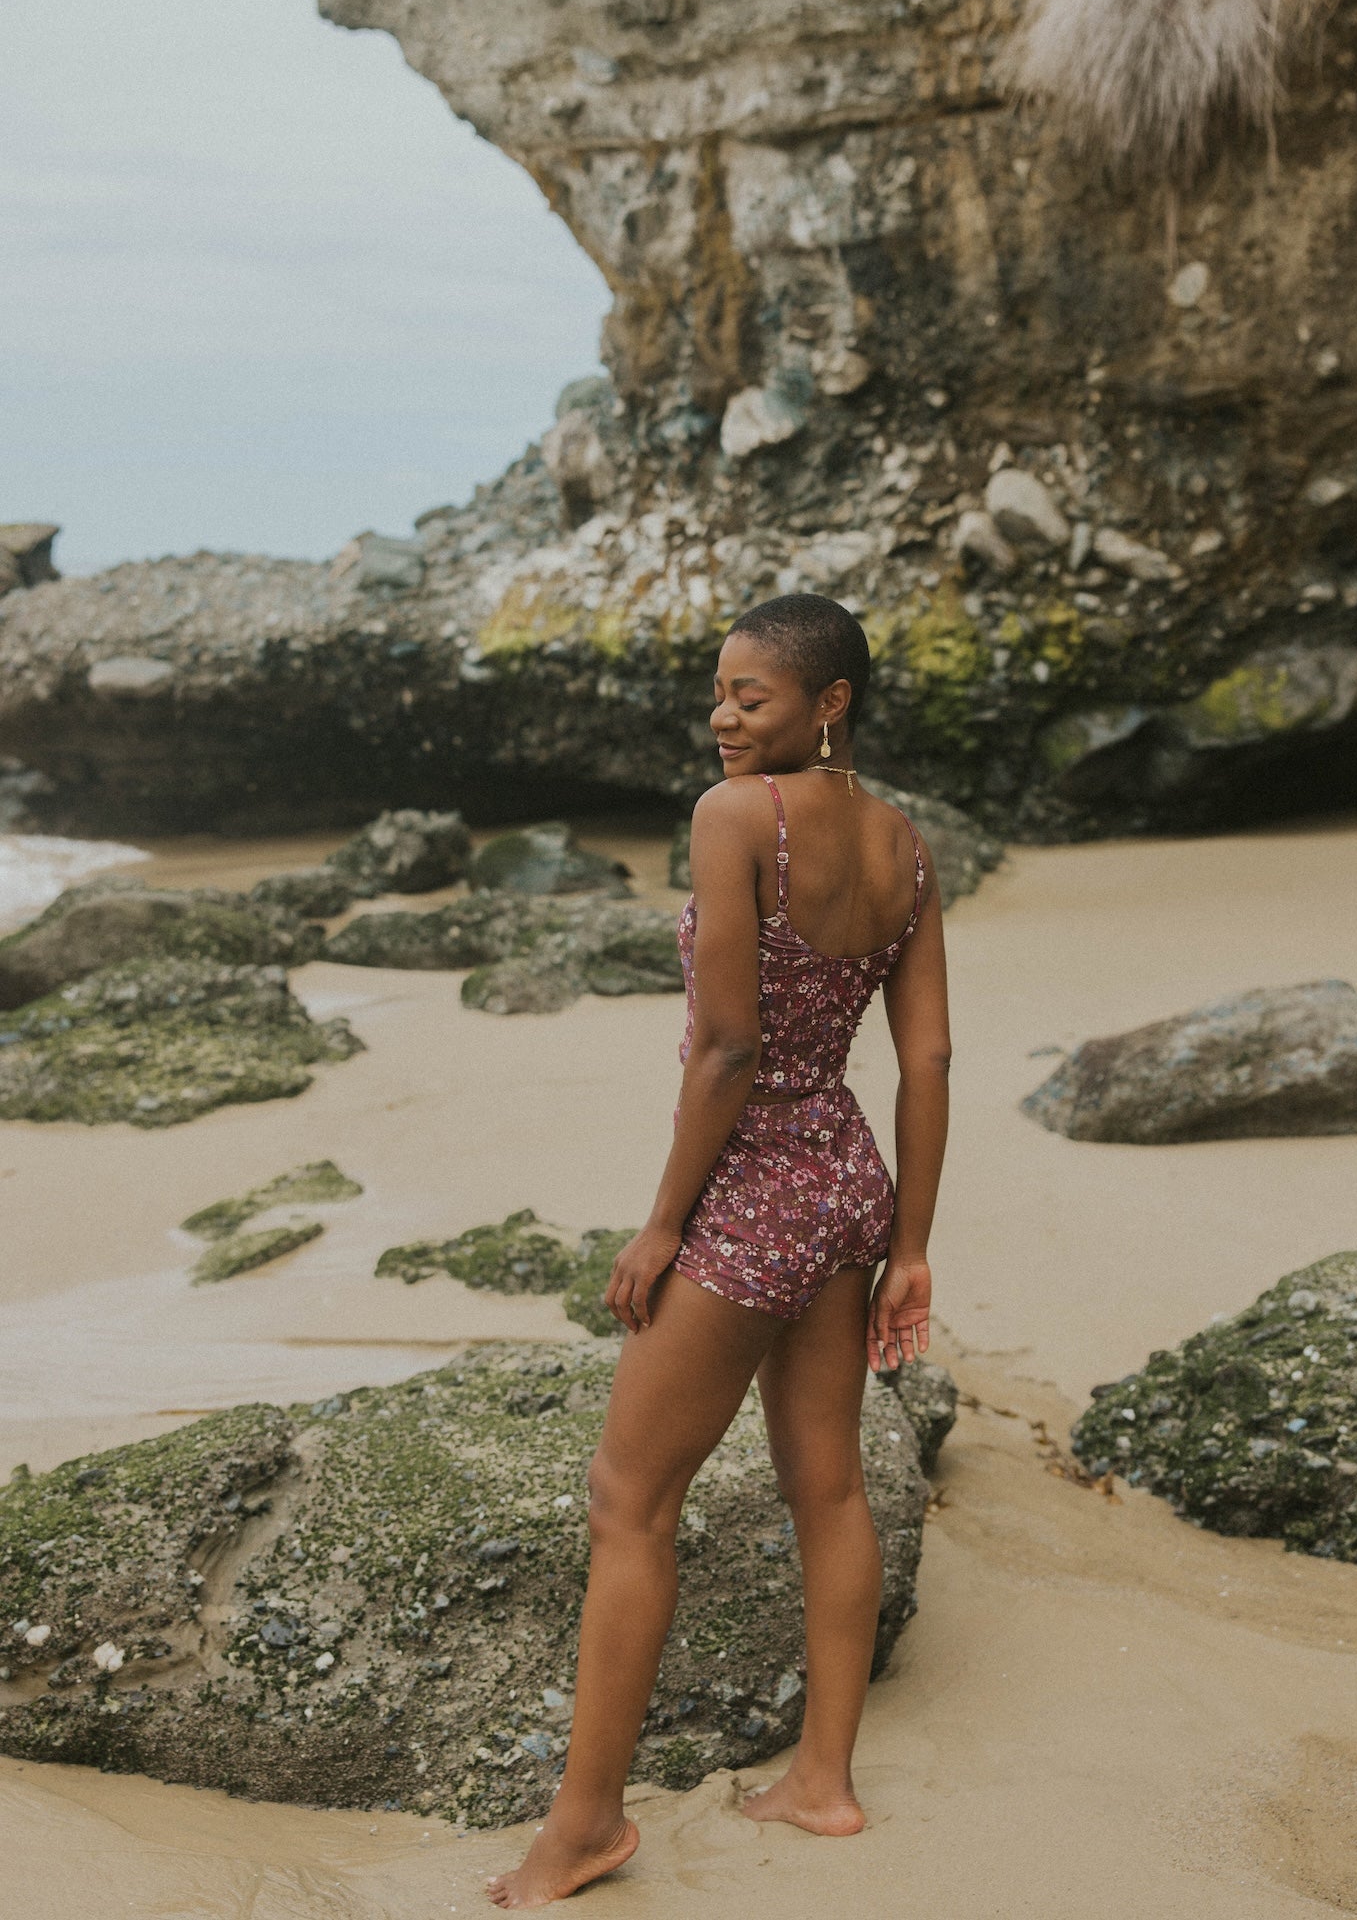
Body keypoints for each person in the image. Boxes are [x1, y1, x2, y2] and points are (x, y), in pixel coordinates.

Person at [486, 593, 952, 1908]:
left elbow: (731, 1048)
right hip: (845, 1179)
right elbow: (924, 1056)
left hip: (750, 1190)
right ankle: (824, 1780)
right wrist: (906, 1238)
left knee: (631, 1499)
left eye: (753, 694)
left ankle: (582, 1826)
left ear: (830, 702)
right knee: (833, 1491)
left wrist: (661, 1222)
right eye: (720, 693)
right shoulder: (906, 843)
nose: (725, 716)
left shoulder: (735, 815)